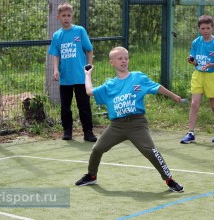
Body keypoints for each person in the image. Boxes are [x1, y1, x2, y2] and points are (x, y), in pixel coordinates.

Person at [75, 46, 184, 193]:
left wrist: (174, 96)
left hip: (137, 124)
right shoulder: (110, 85)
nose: (124, 61)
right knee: (97, 149)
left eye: (126, 58)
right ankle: (91, 175)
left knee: (151, 151)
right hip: (116, 126)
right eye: (119, 58)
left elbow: (157, 87)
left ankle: (169, 180)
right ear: (111, 62)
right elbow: (89, 92)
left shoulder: (138, 77)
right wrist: (87, 74)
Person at [48, 2, 97, 142]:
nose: (66, 18)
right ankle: (67, 131)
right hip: (65, 78)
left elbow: (89, 49)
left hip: (81, 77)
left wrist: (88, 66)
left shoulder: (79, 31)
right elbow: (55, 54)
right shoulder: (57, 35)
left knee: (84, 106)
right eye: (63, 15)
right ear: (58, 17)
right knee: (65, 107)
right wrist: (56, 70)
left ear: (72, 16)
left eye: (69, 15)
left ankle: (88, 132)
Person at [180, 15, 214, 144]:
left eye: (208, 28)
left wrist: (210, 65)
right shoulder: (196, 42)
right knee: (194, 104)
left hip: (212, 76)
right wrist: (192, 61)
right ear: (199, 29)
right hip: (198, 75)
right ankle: (190, 133)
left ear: (212, 28)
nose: (205, 30)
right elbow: (195, 62)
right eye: (202, 28)